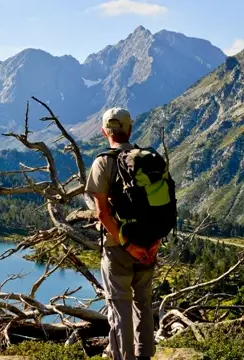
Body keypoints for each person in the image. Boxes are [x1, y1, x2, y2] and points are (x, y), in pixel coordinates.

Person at [86, 107, 160, 360]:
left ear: (104, 131)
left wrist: (127, 245)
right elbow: (164, 208)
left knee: (120, 307)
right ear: (130, 129)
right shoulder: (150, 159)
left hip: (118, 248)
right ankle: (144, 356)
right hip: (149, 243)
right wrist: (154, 243)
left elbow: (102, 214)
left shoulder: (103, 162)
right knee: (144, 304)